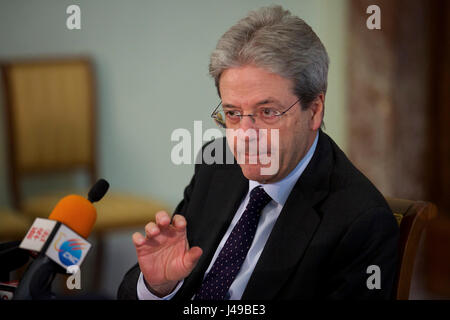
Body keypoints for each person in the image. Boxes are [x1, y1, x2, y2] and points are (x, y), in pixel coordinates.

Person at [118, 5, 399, 300]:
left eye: (267, 112)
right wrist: (158, 287)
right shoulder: (216, 166)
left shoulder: (360, 222)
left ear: (314, 110)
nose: (245, 136)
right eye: (233, 114)